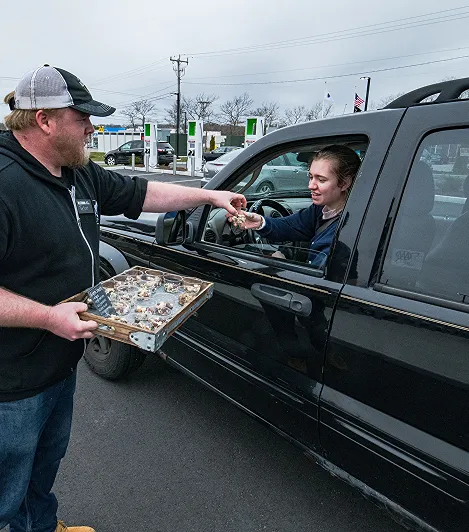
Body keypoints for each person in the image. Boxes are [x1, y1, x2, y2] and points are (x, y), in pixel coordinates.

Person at [0, 65, 246, 532]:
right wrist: (47, 316)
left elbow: (145, 191)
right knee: (4, 493)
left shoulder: (77, 172)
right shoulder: (4, 182)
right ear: (46, 120)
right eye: (83, 117)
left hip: (58, 363)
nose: (92, 126)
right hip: (9, 384)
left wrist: (211, 197)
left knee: (40, 475)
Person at [229, 144, 361, 270]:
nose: (311, 186)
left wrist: (283, 264)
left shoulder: (347, 231)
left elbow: (319, 280)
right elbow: (290, 225)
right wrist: (259, 222)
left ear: (344, 183)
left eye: (321, 180)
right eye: (310, 177)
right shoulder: (320, 209)